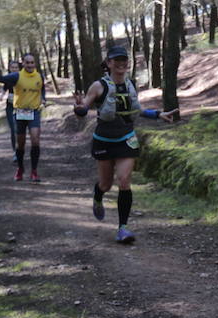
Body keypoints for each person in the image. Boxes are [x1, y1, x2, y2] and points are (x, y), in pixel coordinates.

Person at [73, 44, 179, 243]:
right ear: (109, 63)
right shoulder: (99, 86)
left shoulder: (130, 84)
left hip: (126, 139)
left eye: (124, 60)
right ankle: (98, 196)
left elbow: (135, 110)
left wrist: (158, 114)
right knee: (105, 184)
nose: (122, 64)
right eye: (117, 60)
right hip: (104, 139)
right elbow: (84, 109)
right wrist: (78, 108)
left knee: (124, 180)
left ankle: (123, 228)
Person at [0, 53, 47, 181]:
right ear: (23, 63)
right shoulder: (17, 76)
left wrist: (43, 98)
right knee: (20, 144)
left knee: (35, 140)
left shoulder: (39, 76)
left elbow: (42, 88)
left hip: (34, 112)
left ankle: (34, 171)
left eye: (32, 62)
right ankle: (20, 168)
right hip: (20, 112)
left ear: (35, 64)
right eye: (27, 63)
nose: (30, 65)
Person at [0, 58, 22, 162]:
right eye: (12, 67)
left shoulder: (24, 78)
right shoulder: (8, 79)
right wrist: (1, 95)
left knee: (21, 130)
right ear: (9, 68)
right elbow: (4, 87)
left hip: (23, 106)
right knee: (13, 129)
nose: (14, 69)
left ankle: (21, 149)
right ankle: (16, 153)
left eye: (16, 67)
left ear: (19, 68)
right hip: (10, 106)